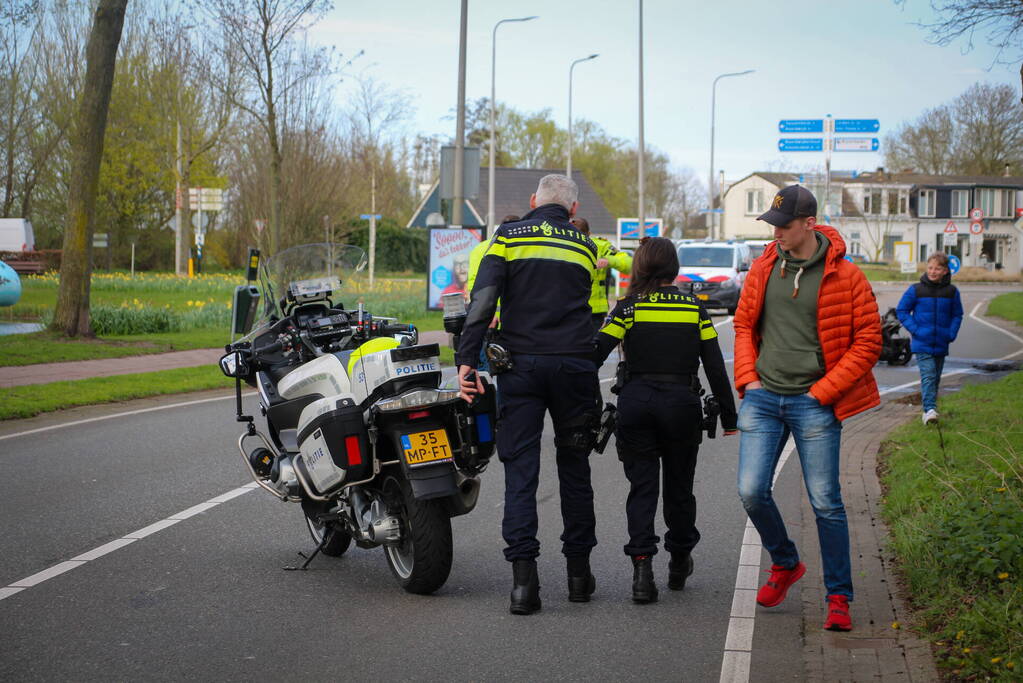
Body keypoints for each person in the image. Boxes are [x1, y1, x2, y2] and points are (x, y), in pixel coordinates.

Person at [733, 185, 881, 633]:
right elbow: (743, 324)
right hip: (763, 397)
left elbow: (869, 341)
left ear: (809, 224)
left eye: (784, 225)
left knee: (826, 503)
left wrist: (824, 392)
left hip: (814, 402)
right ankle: (785, 563)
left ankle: (838, 597)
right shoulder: (764, 266)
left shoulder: (846, 276)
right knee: (751, 491)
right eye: (773, 224)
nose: (776, 232)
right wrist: (749, 378)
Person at [456, 175, 601, 616]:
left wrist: (467, 358)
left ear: (534, 200)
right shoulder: (585, 245)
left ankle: (524, 584)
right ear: (573, 209)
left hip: (521, 368)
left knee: (521, 472)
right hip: (575, 368)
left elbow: (483, 301)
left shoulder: (508, 237)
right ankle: (579, 577)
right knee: (575, 469)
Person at [593, 236, 736, 603]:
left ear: (640, 266)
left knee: (642, 489)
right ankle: (679, 559)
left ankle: (642, 572)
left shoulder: (628, 308)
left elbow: (594, 355)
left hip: (636, 404)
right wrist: (729, 415)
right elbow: (715, 366)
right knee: (679, 488)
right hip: (681, 406)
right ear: (674, 267)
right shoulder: (695, 309)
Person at [895, 252, 963, 425]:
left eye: (937, 269)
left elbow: (957, 314)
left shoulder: (952, 292)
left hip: (942, 341)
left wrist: (951, 333)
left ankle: (931, 408)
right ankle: (929, 410)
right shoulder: (916, 290)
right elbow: (902, 311)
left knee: (936, 377)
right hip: (922, 342)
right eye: (930, 268)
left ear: (945, 271)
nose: (933, 271)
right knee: (929, 375)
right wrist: (916, 330)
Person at [570, 216, 633, 331]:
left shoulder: (601, 246)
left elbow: (629, 264)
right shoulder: (560, 245)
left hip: (594, 313)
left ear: (589, 234)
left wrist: (609, 260)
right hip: (568, 310)